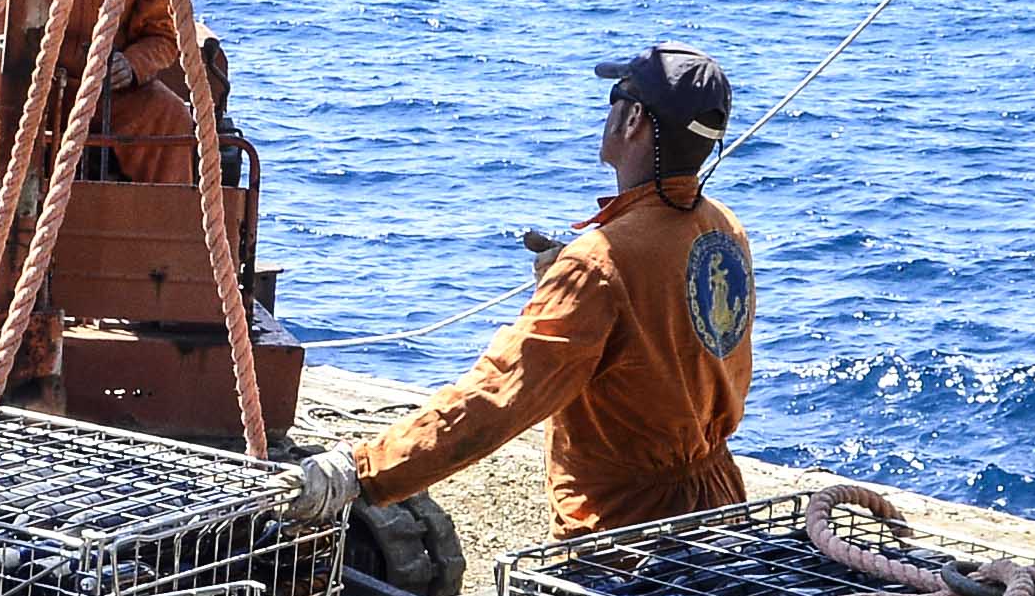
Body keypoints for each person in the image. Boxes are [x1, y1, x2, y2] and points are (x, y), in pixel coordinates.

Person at [285, 42, 754, 540]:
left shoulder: (598, 266)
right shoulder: (724, 229)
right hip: (720, 509)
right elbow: (672, 349)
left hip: (625, 532)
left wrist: (363, 469)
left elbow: (498, 397)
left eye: (616, 96)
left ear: (634, 119)